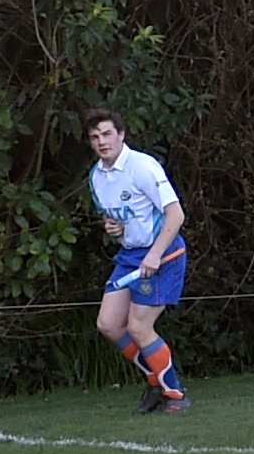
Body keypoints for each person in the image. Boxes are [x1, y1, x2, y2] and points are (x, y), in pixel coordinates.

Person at [82, 109, 191, 413]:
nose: (102, 142)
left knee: (139, 326)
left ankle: (175, 395)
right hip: (130, 256)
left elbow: (176, 214)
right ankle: (155, 381)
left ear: (121, 134)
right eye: (95, 137)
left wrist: (155, 255)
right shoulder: (96, 178)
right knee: (108, 324)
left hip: (162, 253)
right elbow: (117, 220)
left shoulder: (142, 166)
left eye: (107, 134)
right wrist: (113, 228)